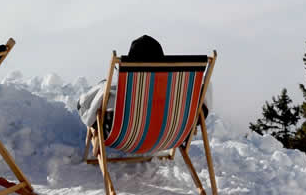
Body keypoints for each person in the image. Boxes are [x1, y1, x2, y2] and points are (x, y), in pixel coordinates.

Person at [76, 35, 211, 136]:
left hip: (125, 134)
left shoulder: (116, 90)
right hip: (168, 133)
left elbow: (83, 105)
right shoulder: (181, 90)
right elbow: (202, 110)